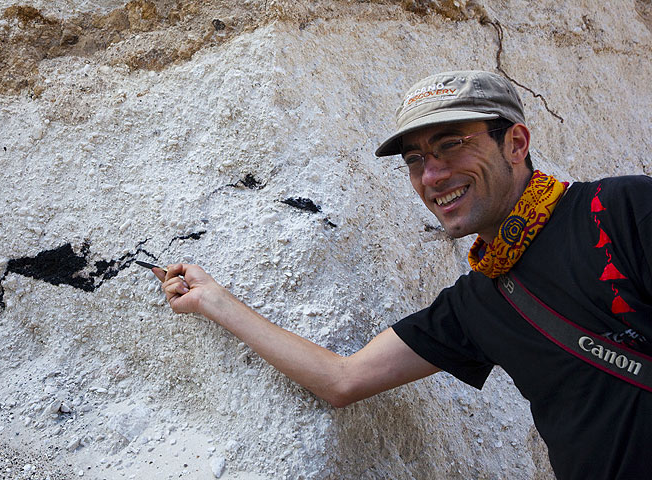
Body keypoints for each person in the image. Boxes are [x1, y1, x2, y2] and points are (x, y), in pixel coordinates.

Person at [152, 70, 652, 479]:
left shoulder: (622, 210)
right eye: (416, 160)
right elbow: (341, 379)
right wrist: (213, 300)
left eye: (452, 145)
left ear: (516, 143)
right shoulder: (480, 301)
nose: (431, 176)